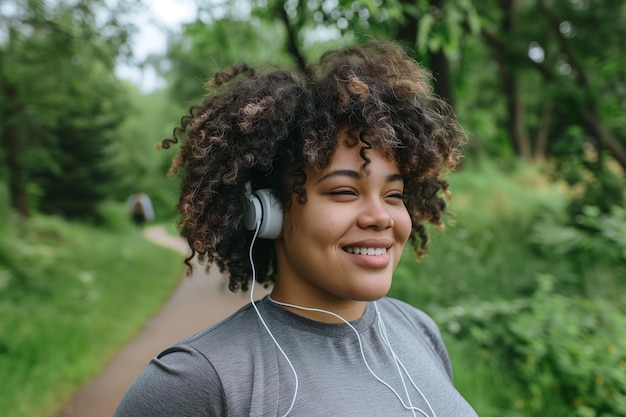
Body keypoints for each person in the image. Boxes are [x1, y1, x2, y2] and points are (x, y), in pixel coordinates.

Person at [114, 40, 477, 416]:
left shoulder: (419, 330)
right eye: (343, 191)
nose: (380, 217)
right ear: (269, 212)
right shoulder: (197, 381)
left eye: (393, 194)